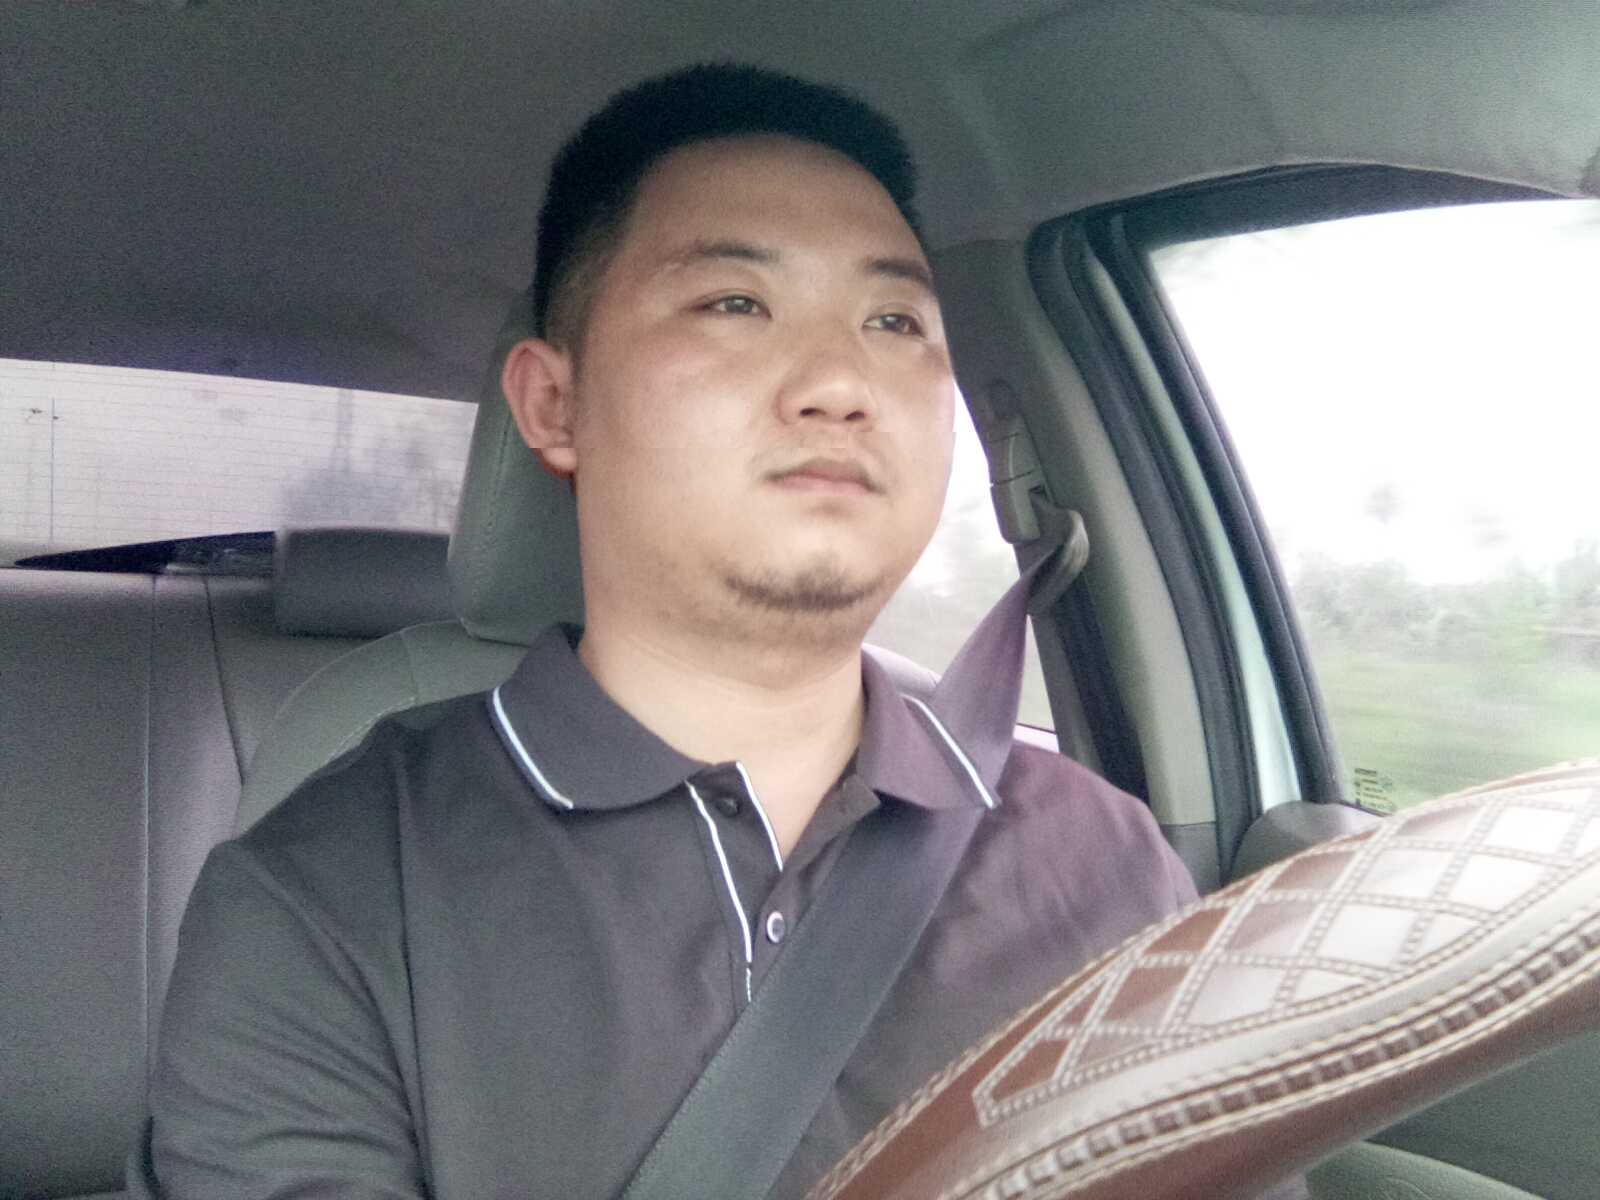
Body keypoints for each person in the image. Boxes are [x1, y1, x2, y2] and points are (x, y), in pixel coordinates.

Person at [132, 64, 1208, 1198]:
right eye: (735, 303)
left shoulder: (1105, 859)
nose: (841, 382)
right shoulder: (329, 894)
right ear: (554, 406)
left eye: (895, 320)